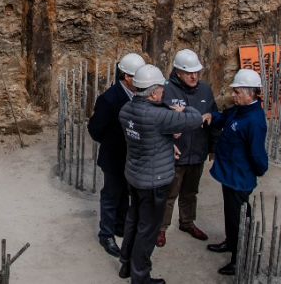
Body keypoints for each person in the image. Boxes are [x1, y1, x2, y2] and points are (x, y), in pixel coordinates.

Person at [118, 64, 207, 284]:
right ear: (154, 92)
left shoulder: (126, 110)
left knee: (133, 220)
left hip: (135, 175)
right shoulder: (159, 116)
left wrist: (166, 140)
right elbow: (196, 118)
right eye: (161, 89)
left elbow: (151, 137)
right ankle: (141, 276)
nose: (164, 92)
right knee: (148, 229)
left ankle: (126, 266)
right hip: (154, 181)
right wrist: (181, 109)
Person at [206, 69, 268, 276]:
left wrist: (258, 170)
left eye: (237, 91)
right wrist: (210, 116)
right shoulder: (238, 110)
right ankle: (230, 242)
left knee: (239, 218)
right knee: (231, 214)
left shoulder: (254, 120)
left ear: (250, 94)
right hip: (229, 173)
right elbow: (223, 118)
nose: (233, 95)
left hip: (239, 177)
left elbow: (258, 155)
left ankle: (238, 258)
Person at [157, 48, 219, 247]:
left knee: (190, 192)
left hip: (197, 152)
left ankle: (187, 222)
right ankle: (161, 228)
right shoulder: (165, 91)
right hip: (174, 154)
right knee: (169, 194)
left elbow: (213, 119)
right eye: (189, 72)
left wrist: (212, 146)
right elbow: (156, 122)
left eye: (196, 72)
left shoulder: (206, 90)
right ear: (177, 72)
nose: (194, 76)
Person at [88, 53, 146, 258]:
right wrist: (113, 142)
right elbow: (95, 130)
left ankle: (120, 226)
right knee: (111, 196)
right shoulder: (109, 99)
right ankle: (106, 234)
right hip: (114, 157)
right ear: (127, 77)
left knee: (125, 195)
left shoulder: (139, 95)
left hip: (132, 157)